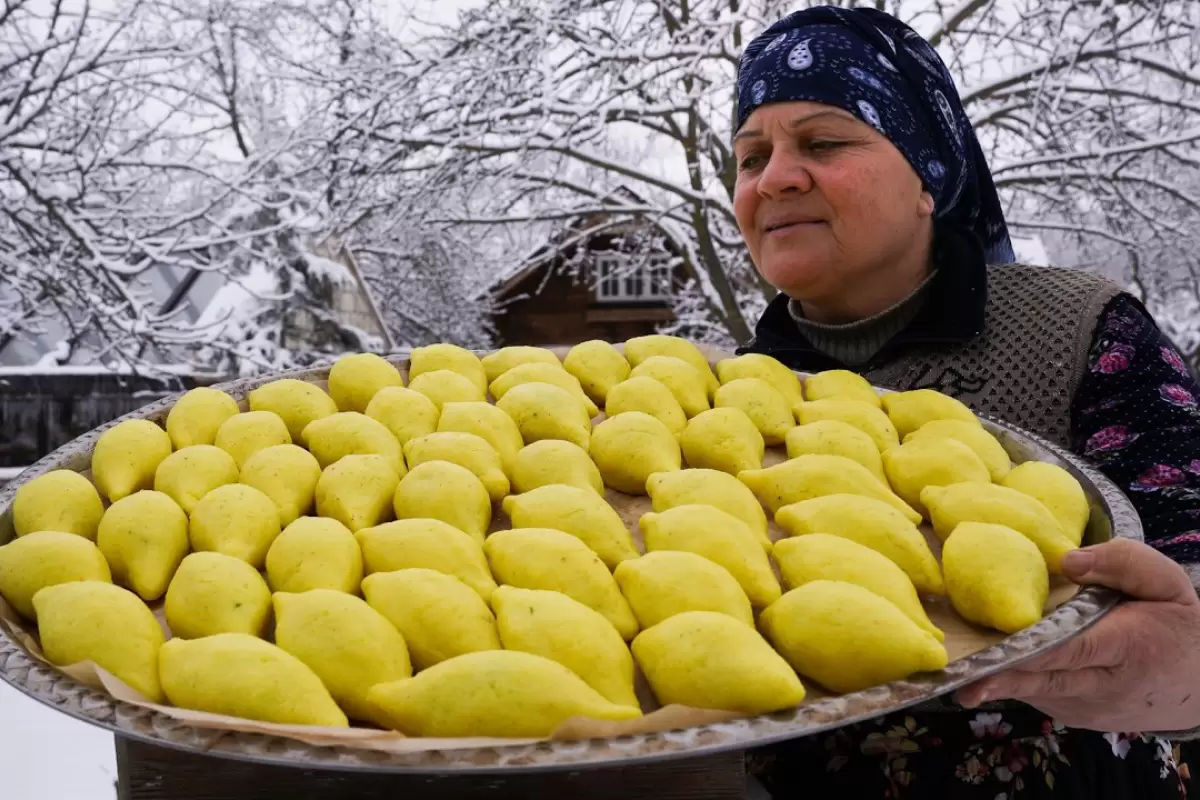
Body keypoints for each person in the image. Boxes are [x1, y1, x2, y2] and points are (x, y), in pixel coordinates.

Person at [731, 6, 1200, 799]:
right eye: (750, 156)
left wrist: (1187, 675)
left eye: (822, 142)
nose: (774, 177)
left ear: (929, 175)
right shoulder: (725, 398)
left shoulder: (1076, 326)